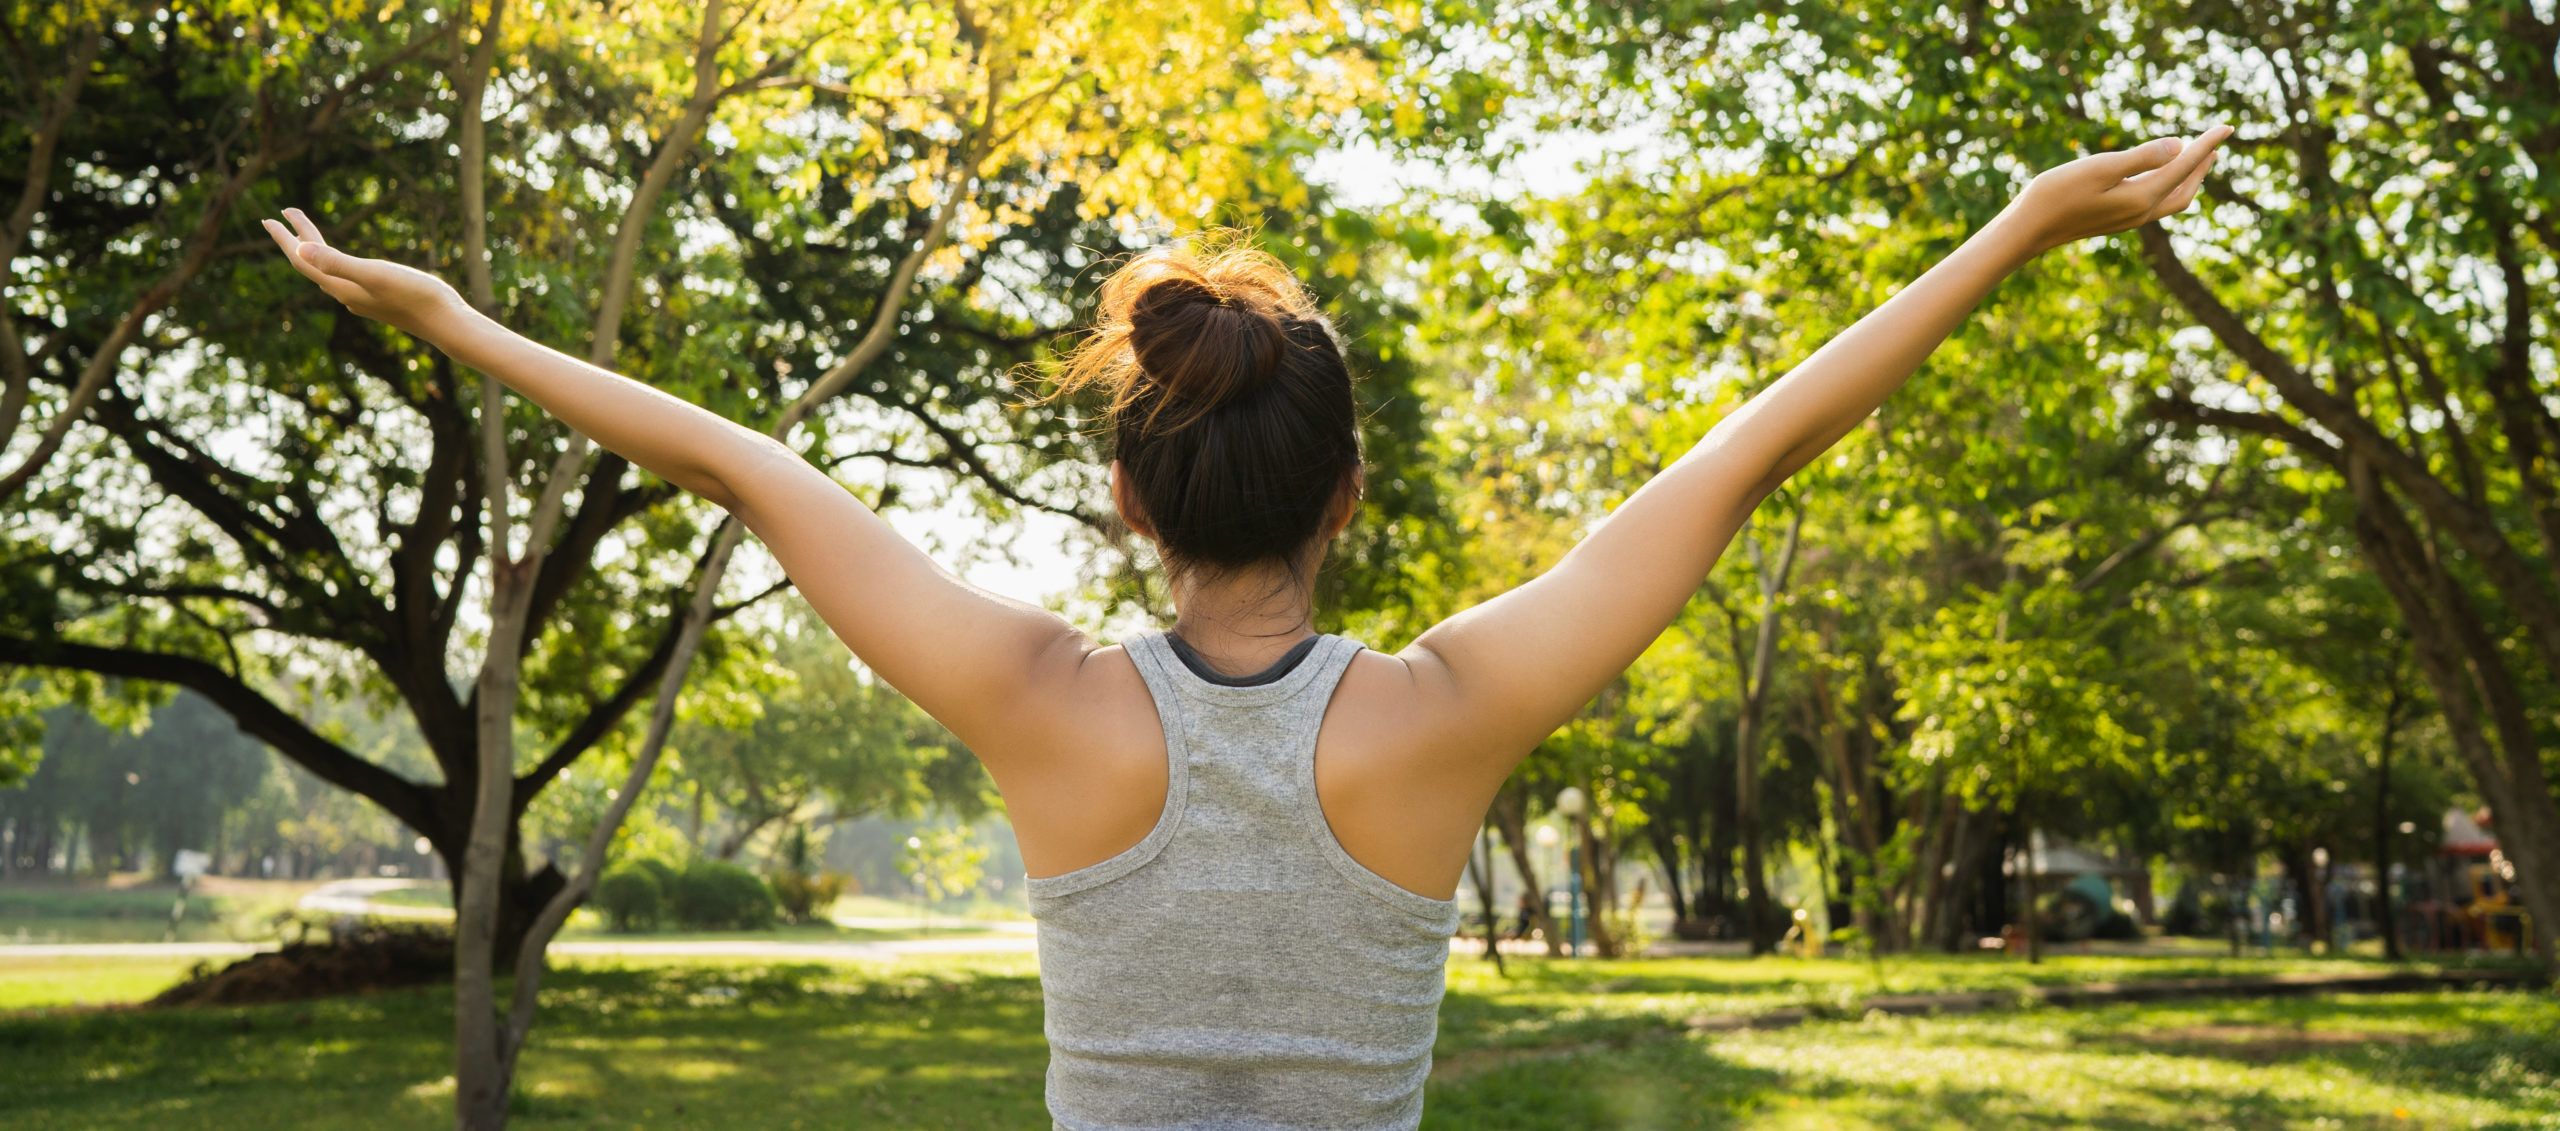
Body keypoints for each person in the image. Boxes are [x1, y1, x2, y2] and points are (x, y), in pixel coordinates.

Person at [262, 123, 2228, 1129]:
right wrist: (2013, 227)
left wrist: (458, 322)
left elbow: (751, 469)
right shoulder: (1444, 714)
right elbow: (1748, 450)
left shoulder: (1036, 704)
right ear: (1346, 497)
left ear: (1125, 495)